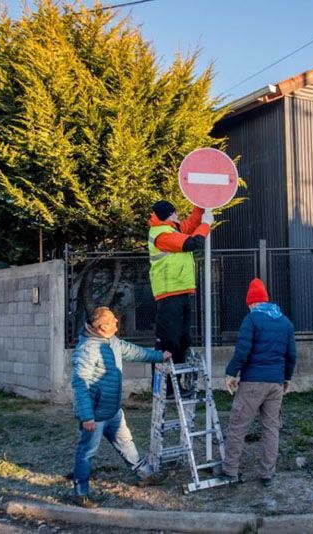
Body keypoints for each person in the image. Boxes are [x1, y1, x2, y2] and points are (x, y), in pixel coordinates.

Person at [71, 306, 171, 508]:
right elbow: (79, 384)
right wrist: (87, 416)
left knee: (126, 443)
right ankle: (80, 493)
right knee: (87, 452)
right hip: (96, 416)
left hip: (113, 410)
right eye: (113, 320)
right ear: (102, 326)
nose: (117, 322)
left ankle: (145, 475)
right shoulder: (87, 350)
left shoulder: (112, 342)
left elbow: (133, 351)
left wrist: (159, 356)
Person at [220, 278, 297, 487]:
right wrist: (286, 378)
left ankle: (230, 470)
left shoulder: (251, 320)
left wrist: (231, 373)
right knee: (271, 429)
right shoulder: (285, 322)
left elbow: (242, 350)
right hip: (275, 384)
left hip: (252, 383)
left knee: (238, 426)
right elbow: (292, 354)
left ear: (252, 303)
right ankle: (267, 474)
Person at [147, 200, 213, 382]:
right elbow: (193, 242)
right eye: (175, 213)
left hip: (180, 291)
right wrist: (206, 225)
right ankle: (165, 386)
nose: (178, 216)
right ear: (169, 215)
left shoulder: (171, 229)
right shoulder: (162, 235)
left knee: (183, 340)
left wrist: (201, 202)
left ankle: (179, 384)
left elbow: (191, 223)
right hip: (169, 294)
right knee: (170, 342)